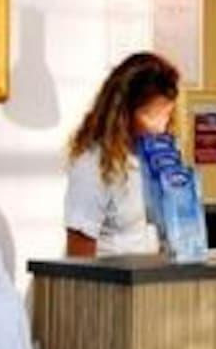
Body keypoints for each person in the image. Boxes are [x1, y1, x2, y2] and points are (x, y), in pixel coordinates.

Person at [63, 52, 181, 258]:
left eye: (166, 114)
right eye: (150, 115)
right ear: (123, 113)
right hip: (112, 276)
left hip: (152, 274)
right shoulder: (93, 165)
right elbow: (79, 258)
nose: (160, 127)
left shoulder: (157, 159)